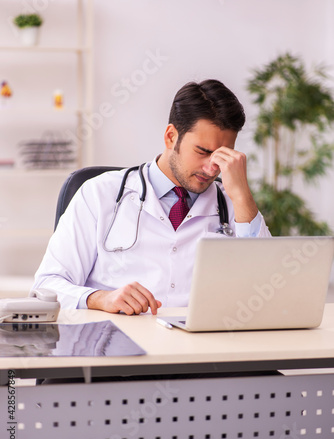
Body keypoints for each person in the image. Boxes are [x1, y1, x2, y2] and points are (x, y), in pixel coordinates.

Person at [33, 79, 271, 315]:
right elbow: (46, 287)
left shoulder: (234, 205)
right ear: (170, 137)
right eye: (203, 152)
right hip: (116, 343)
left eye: (222, 156)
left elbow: (269, 289)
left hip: (204, 348)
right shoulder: (99, 194)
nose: (212, 168)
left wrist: (242, 196)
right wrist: (99, 299)